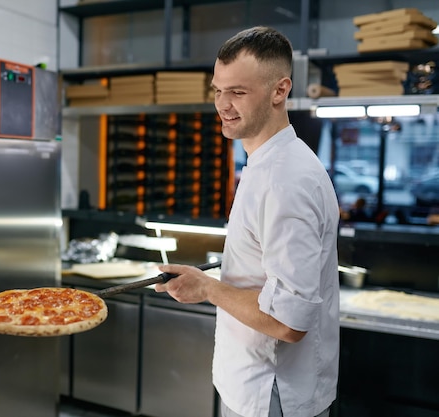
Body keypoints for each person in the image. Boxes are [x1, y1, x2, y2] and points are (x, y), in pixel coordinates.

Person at [155, 26, 340, 417]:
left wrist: (207, 288)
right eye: (217, 90)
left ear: (280, 90)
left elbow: (289, 323)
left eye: (238, 92)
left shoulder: (286, 179)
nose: (223, 104)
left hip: (272, 395)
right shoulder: (264, 163)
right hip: (254, 387)